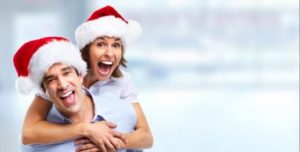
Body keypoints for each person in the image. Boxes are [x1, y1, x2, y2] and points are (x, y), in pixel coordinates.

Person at [20, 5, 153, 152]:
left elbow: (146, 136)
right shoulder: (63, 76)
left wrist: (111, 142)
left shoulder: (122, 82)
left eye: (116, 45)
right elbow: (29, 132)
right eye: (101, 44)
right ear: (86, 50)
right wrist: (86, 130)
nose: (110, 53)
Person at [14, 36, 138, 152]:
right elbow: (28, 134)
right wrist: (86, 129)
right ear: (44, 91)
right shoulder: (37, 143)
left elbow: (144, 138)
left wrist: (119, 143)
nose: (62, 85)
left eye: (66, 73)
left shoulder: (122, 111)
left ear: (80, 76)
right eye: (51, 79)